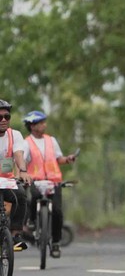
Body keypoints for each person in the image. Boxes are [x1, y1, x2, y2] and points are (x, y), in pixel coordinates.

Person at [23, 110, 76, 258]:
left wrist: (68, 159)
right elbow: (23, 161)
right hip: (36, 180)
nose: (44, 125)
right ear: (32, 126)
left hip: (53, 181)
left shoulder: (51, 140)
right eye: (41, 123)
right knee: (33, 196)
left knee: (58, 211)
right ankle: (32, 220)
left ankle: (56, 243)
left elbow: (59, 159)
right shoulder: (26, 143)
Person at [0, 100, 31, 251]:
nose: (3, 120)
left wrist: (23, 171)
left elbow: (18, 155)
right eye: (0, 117)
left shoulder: (15, 135)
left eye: (7, 116)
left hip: (6, 180)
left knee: (20, 195)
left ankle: (15, 235)